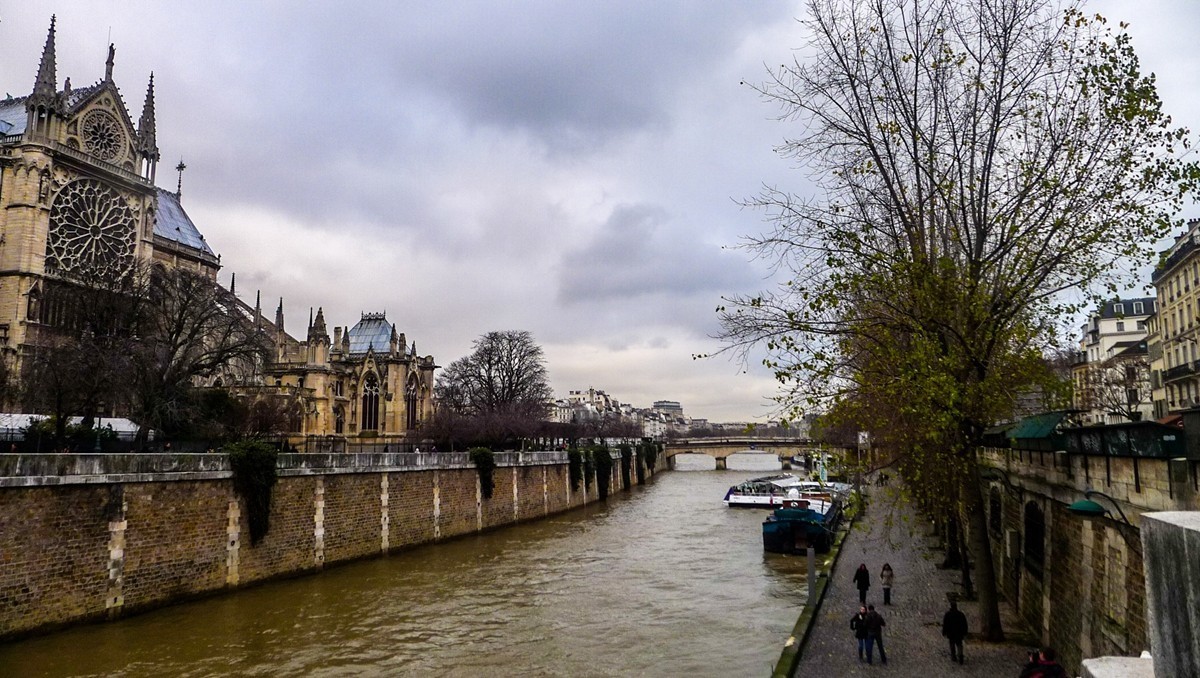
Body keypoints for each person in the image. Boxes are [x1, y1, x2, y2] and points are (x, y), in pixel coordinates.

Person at [941, 599, 968, 664]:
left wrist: (944, 632)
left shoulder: (948, 615)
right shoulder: (961, 614)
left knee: (952, 644)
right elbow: (964, 624)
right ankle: (960, 655)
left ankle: (953, 656)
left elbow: (945, 624)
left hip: (951, 633)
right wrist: (965, 632)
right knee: (959, 644)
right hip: (959, 632)